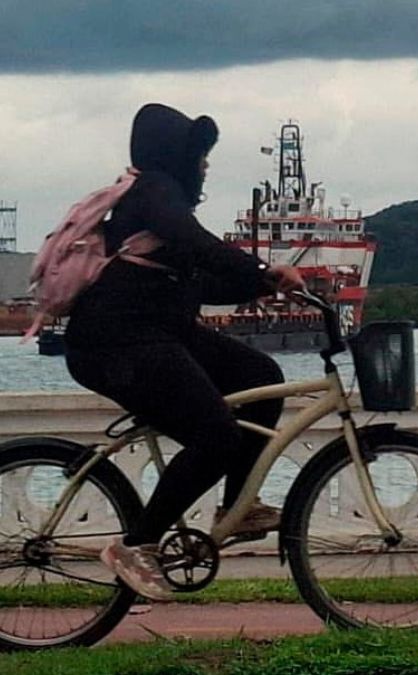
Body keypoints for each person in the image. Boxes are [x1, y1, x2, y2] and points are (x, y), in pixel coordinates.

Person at [65, 103, 305, 600]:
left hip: (160, 333)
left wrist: (262, 286)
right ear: (175, 156)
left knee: (262, 377)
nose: (205, 166)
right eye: (200, 156)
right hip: (116, 342)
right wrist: (258, 269)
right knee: (215, 434)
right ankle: (140, 545)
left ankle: (237, 507)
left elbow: (197, 282)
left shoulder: (157, 206)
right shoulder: (154, 190)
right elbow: (192, 242)